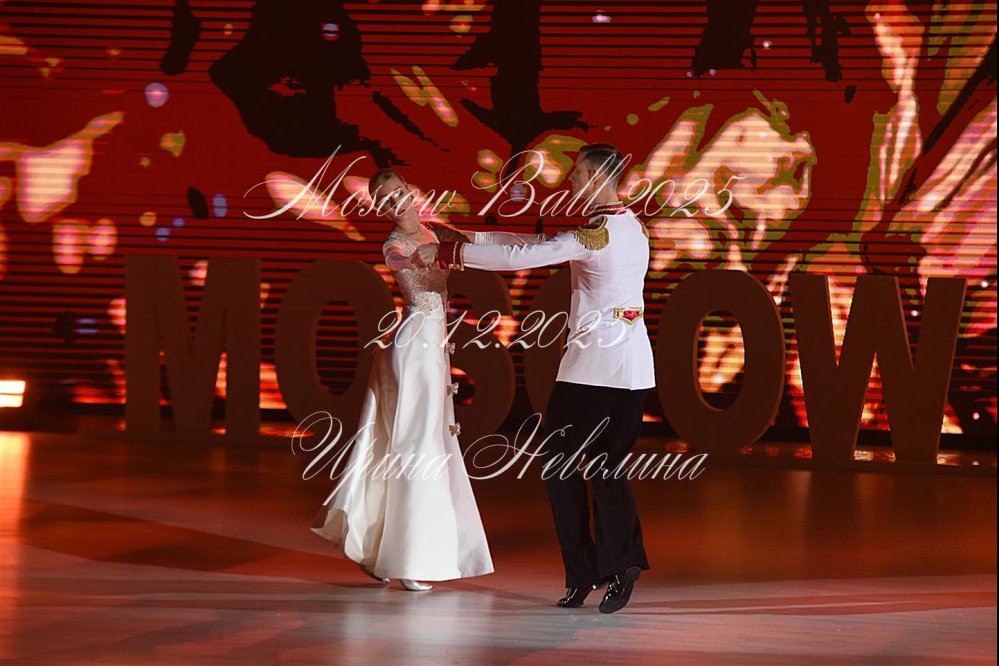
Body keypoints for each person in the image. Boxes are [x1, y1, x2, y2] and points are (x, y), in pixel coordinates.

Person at [415, 144, 654, 613]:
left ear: (598, 177)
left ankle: (584, 573)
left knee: (560, 468)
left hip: (591, 371)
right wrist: (468, 236)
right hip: (634, 371)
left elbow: (524, 256)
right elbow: (534, 243)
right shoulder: (632, 227)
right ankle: (621, 565)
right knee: (608, 471)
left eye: (578, 172)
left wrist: (449, 252)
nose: (571, 180)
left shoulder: (595, 234)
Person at [310, 168, 546, 591]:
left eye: (398, 192)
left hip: (433, 348)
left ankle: (380, 551)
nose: (394, 202)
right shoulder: (395, 245)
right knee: (419, 448)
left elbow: (484, 241)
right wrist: (438, 253)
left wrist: (542, 244)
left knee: (421, 445)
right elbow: (414, 260)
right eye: (384, 200)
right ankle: (407, 558)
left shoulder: (435, 230)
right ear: (379, 209)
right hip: (414, 350)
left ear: (410, 191)